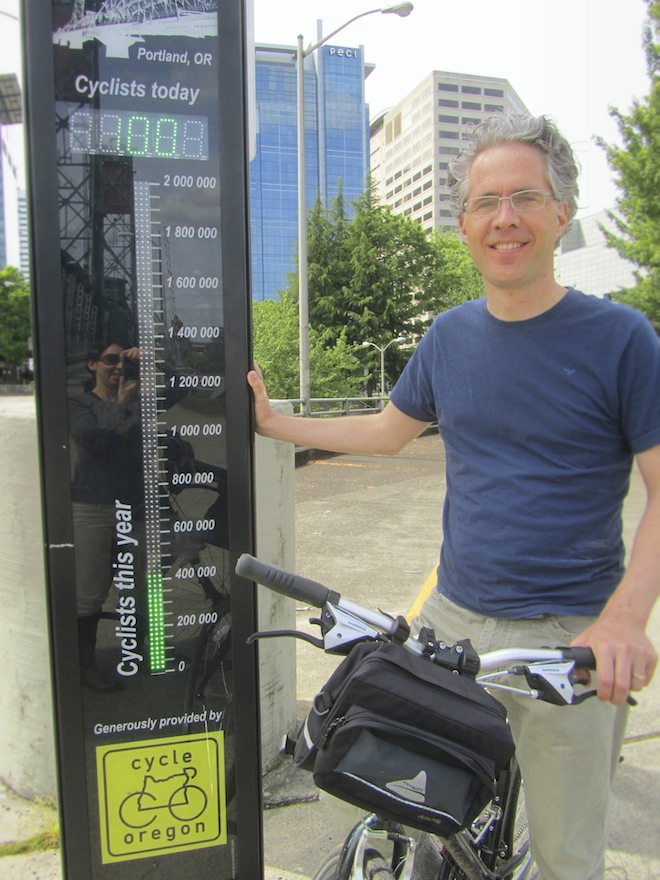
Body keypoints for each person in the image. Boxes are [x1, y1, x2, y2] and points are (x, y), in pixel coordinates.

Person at [247, 114, 660, 880]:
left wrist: (625, 621)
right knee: (401, 800)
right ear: (465, 225)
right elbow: (387, 430)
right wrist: (274, 423)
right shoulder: (448, 336)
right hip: (452, 622)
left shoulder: (623, 340)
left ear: (560, 214)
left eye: (525, 198)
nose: (505, 218)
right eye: (485, 202)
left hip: (571, 636)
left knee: (571, 856)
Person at [69, 341, 143, 691]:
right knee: (89, 592)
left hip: (133, 508)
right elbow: (95, 441)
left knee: (142, 586)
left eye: (122, 360)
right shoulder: (79, 403)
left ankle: (144, 654)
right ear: (91, 364)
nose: (117, 367)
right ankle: (84, 668)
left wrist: (148, 358)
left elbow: (184, 385)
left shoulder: (137, 397)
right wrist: (119, 405)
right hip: (92, 507)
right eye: (111, 360)